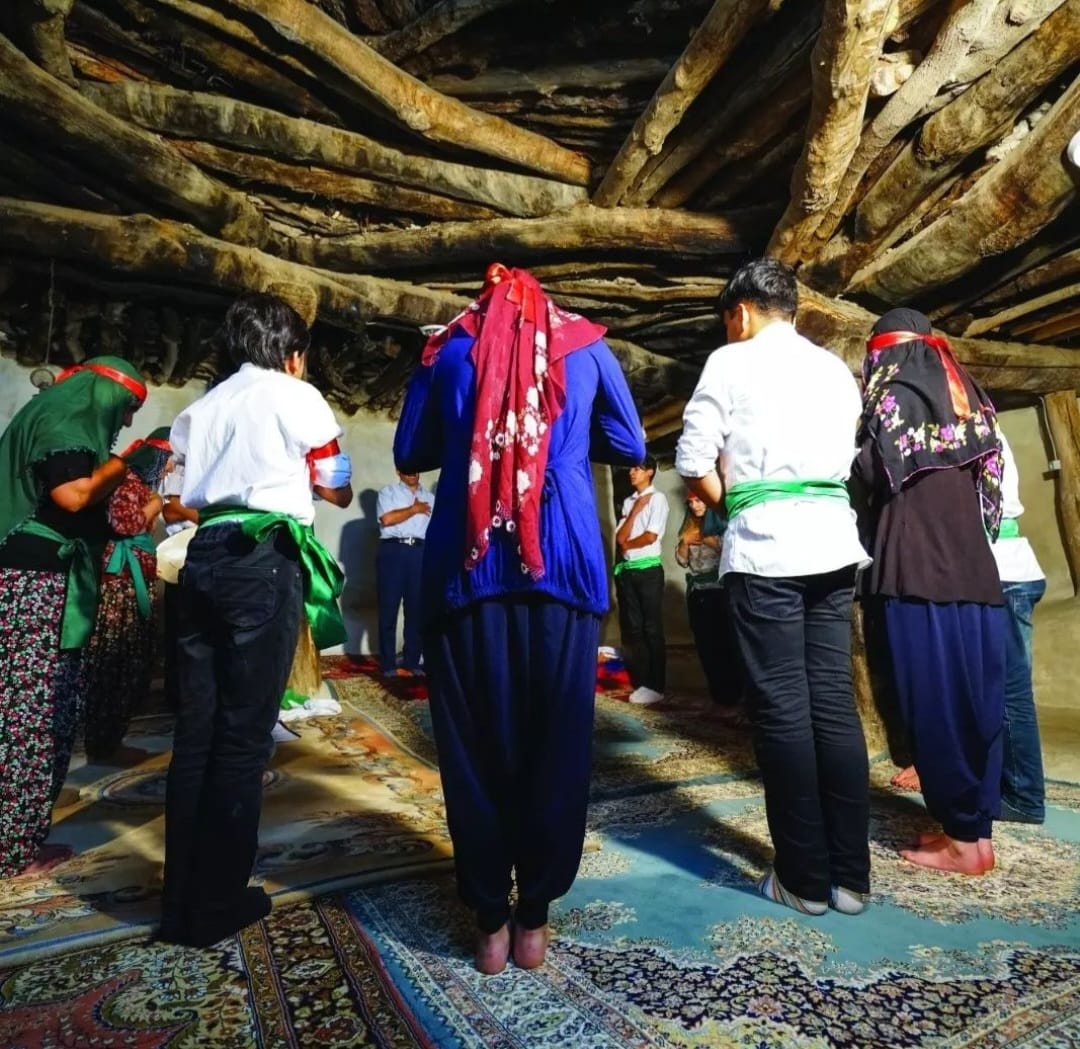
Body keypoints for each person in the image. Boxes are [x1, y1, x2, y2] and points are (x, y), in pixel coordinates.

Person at [394, 263, 645, 975]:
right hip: (561, 560)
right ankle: (534, 917)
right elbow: (630, 443)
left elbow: (410, 449)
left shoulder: (448, 349)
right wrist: (550, 446)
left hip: (466, 565)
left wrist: (483, 433)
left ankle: (490, 922)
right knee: (557, 742)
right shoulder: (587, 347)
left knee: (475, 746)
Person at [675, 257, 871, 916]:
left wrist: (736, 502)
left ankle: (802, 878)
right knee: (833, 705)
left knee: (784, 710)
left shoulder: (730, 362)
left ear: (740, 312)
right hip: (833, 541)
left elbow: (692, 459)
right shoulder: (834, 368)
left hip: (768, 548)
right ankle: (850, 877)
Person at [161, 293, 353, 946]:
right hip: (261, 560)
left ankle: (178, 902)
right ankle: (217, 904)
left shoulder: (201, 407)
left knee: (197, 735)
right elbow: (337, 483)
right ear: (294, 354)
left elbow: (176, 491)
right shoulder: (298, 396)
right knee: (243, 740)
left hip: (203, 557)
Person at [852, 306, 1005, 876]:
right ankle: (974, 831)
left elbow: (871, 472)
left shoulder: (897, 395)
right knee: (977, 707)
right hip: (978, 577)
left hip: (918, 573)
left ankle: (962, 842)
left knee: (935, 706)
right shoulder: (967, 396)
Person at [0, 356, 146, 876]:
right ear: (103, 395)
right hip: (36, 585)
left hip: (36, 581)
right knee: (33, 717)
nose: (126, 420)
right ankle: (13, 847)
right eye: (128, 407)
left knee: (37, 710)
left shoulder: (51, 416)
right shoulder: (67, 422)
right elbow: (73, 494)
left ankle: (17, 836)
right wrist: (125, 464)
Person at [82, 427, 171, 763]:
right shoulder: (125, 482)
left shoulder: (137, 485)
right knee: (117, 662)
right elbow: (125, 525)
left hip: (131, 579)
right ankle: (104, 744)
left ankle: (110, 738)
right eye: (167, 464)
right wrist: (154, 507)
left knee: (133, 662)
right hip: (119, 585)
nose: (169, 472)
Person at [992, 432, 1046, 824]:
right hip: (1009, 568)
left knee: (1011, 696)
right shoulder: (985, 423)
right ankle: (1005, 783)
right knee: (999, 692)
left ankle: (1024, 797)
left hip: (1004, 571)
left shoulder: (972, 429)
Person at [674, 492, 743, 714]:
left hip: (720, 591)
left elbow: (731, 553)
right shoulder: (689, 527)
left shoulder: (723, 524)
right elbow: (682, 561)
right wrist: (685, 541)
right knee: (705, 645)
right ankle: (718, 696)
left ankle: (735, 696)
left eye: (699, 500)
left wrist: (709, 540)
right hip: (697, 591)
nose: (695, 505)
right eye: (691, 502)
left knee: (725, 643)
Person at [614, 456, 669, 705]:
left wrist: (627, 542)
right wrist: (635, 511)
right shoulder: (629, 502)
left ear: (650, 472)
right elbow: (620, 537)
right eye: (631, 468)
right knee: (634, 628)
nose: (631, 472)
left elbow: (650, 536)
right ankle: (642, 682)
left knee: (652, 628)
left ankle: (656, 685)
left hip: (648, 571)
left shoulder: (658, 499)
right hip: (627, 570)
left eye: (637, 468)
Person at [376, 468, 434, 676]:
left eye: (415, 468)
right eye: (407, 468)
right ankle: (388, 665)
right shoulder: (388, 493)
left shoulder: (430, 498)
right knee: (388, 609)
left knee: (416, 610)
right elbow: (387, 520)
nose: (412, 472)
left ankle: (412, 662)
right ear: (398, 471)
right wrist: (414, 509)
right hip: (393, 551)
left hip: (420, 552)